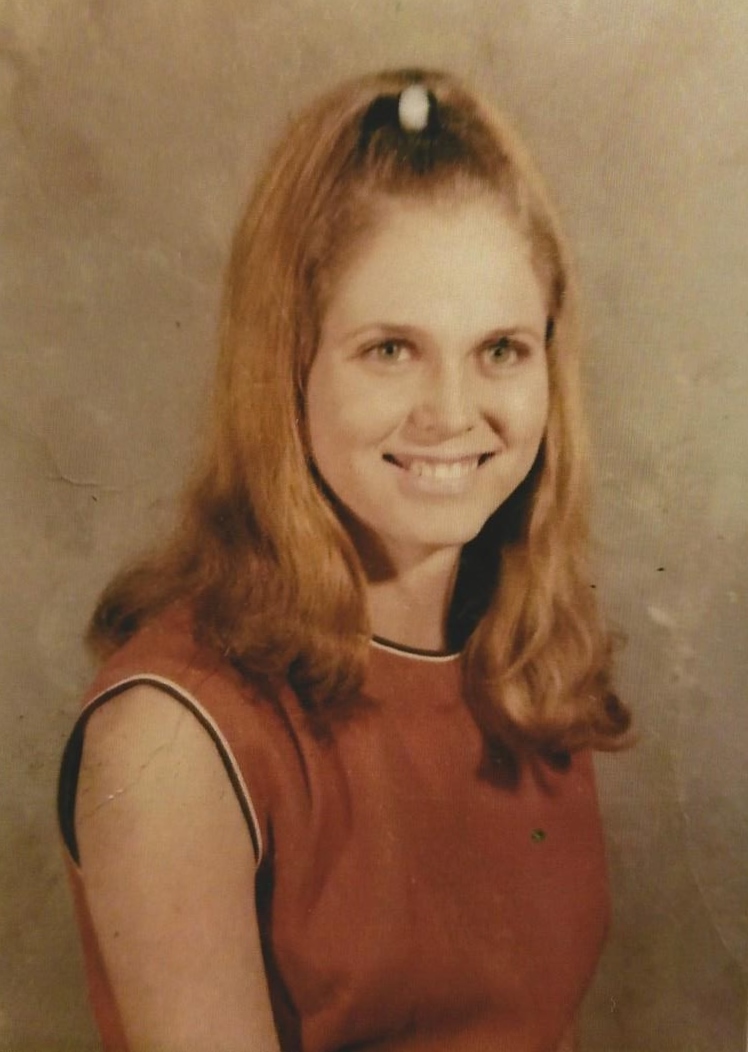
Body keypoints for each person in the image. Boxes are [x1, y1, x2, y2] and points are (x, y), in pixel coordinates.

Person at [57, 68, 631, 1052]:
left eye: (500, 348)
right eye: (390, 349)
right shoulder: (173, 732)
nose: (452, 412)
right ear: (286, 365)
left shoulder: (521, 664)